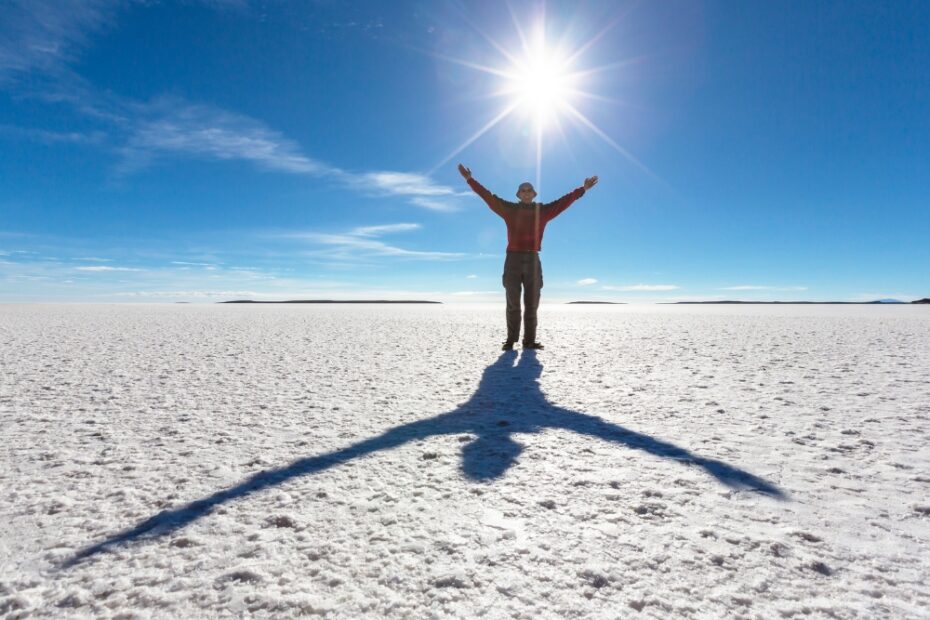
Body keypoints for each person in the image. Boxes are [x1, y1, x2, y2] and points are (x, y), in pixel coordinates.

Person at [458, 163, 598, 350]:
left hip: (533, 261)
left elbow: (563, 202)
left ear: (534, 194)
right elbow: (487, 196)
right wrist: (470, 180)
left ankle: (529, 341)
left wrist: (583, 189)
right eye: (522, 190)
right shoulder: (509, 209)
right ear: (518, 195)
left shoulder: (543, 211)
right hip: (513, 260)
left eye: (529, 190)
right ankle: (511, 340)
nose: (526, 193)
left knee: (532, 304)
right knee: (513, 303)